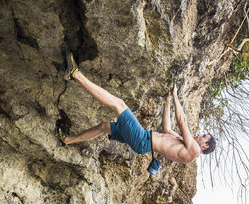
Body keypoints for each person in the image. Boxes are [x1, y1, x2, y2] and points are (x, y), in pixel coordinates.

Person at [57, 53, 216, 166]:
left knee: (119, 104)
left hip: (142, 140)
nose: (200, 134)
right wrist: (167, 103)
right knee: (105, 126)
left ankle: (75, 74)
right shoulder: (185, 145)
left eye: (203, 136)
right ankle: (66, 140)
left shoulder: (194, 150)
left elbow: (182, 121)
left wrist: (176, 96)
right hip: (143, 141)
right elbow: (166, 128)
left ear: (205, 146)